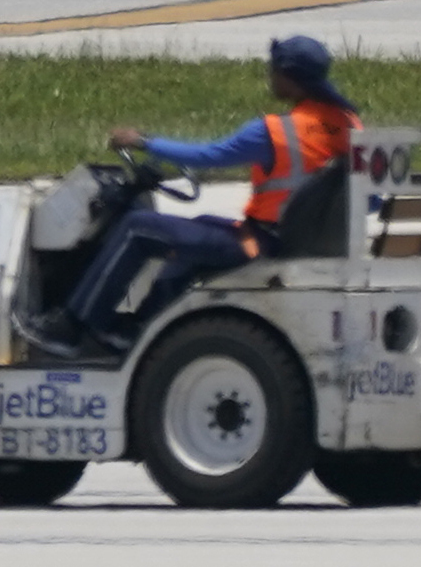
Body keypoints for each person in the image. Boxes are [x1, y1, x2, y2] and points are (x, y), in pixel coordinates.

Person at [46, 33, 360, 351]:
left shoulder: (275, 132)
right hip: (299, 243)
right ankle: (138, 327)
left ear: (289, 76)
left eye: (274, 70)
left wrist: (144, 142)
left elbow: (207, 156)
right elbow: (367, 197)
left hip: (261, 244)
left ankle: (73, 326)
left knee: (137, 228)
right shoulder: (350, 125)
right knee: (198, 226)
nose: (270, 76)